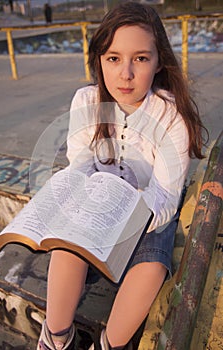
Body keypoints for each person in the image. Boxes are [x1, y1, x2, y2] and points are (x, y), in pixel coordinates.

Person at [37, 2, 207, 349]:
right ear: (99, 60)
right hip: (99, 207)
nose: (125, 74)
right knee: (65, 246)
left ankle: (108, 344)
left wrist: (128, 222)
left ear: (159, 61)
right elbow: (81, 162)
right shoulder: (86, 100)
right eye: (113, 58)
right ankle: (56, 337)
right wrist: (78, 197)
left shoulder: (170, 117)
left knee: (152, 269)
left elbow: (165, 196)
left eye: (140, 59)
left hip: (147, 218)